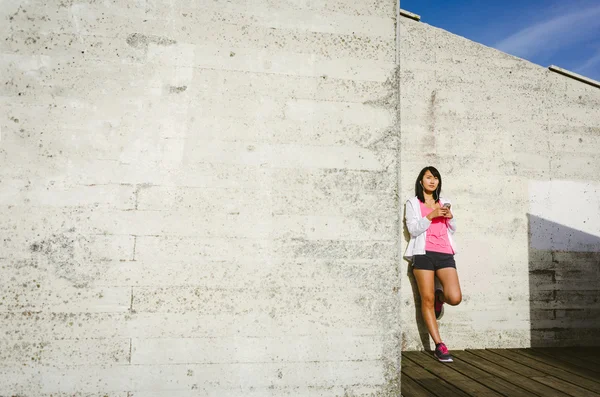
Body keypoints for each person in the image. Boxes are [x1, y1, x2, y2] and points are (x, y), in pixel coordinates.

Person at [405, 166, 462, 363]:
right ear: (421, 181)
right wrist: (430, 215)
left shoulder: (445, 202)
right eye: (428, 177)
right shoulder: (413, 203)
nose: (432, 181)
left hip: (445, 253)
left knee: (454, 297)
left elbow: (451, 229)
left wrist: (450, 218)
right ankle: (439, 345)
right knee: (426, 300)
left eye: (435, 178)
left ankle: (441, 296)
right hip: (423, 254)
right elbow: (413, 229)